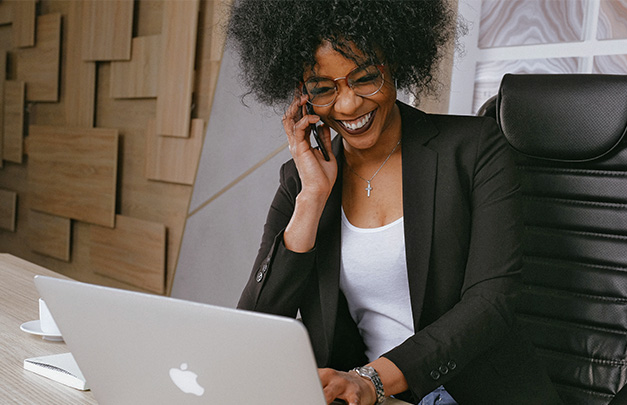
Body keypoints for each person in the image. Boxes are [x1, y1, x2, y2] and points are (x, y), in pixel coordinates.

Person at [230, 1, 560, 404]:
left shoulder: (475, 150)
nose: (348, 105)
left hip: (466, 390)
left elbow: (491, 303)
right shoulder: (302, 180)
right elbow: (258, 324)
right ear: (303, 94)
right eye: (323, 88)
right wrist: (312, 197)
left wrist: (371, 380)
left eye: (365, 78)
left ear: (396, 63)